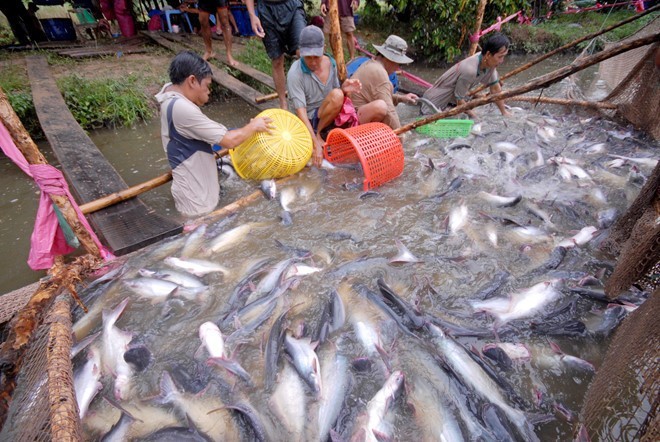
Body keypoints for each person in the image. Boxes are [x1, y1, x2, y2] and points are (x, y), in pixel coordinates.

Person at [155, 51, 273, 217]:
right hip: (198, 202)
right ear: (192, 81)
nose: (209, 91)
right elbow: (229, 141)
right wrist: (253, 126)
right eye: (207, 85)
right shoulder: (182, 108)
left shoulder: (170, 94)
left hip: (193, 187)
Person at [287, 25, 361, 167]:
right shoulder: (295, 73)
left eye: (317, 57)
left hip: (325, 113)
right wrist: (315, 142)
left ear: (324, 49)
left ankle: (323, 131)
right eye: (308, 57)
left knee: (340, 94)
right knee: (337, 95)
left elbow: (334, 94)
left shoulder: (331, 63)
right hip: (308, 118)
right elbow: (300, 112)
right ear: (300, 52)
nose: (313, 62)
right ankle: (318, 133)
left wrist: (344, 89)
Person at [421, 32, 512, 118]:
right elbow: (459, 100)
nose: (502, 61)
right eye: (500, 57)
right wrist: (476, 118)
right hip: (432, 105)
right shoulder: (470, 70)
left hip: (449, 104)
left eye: (504, 56)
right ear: (488, 54)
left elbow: (496, 90)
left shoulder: (490, 63)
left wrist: (504, 112)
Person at [245, 0, 307, 110]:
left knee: (303, 52)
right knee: (277, 59)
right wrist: (252, 15)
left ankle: (310, 99)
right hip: (267, 9)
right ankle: (283, 104)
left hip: (292, 5)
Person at [350, 35, 418, 130]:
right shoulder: (379, 72)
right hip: (353, 121)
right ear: (391, 59)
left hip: (357, 113)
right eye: (398, 64)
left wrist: (402, 98)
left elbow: (383, 96)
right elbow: (390, 110)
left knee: (389, 87)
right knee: (381, 107)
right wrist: (401, 135)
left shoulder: (372, 64)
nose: (397, 68)